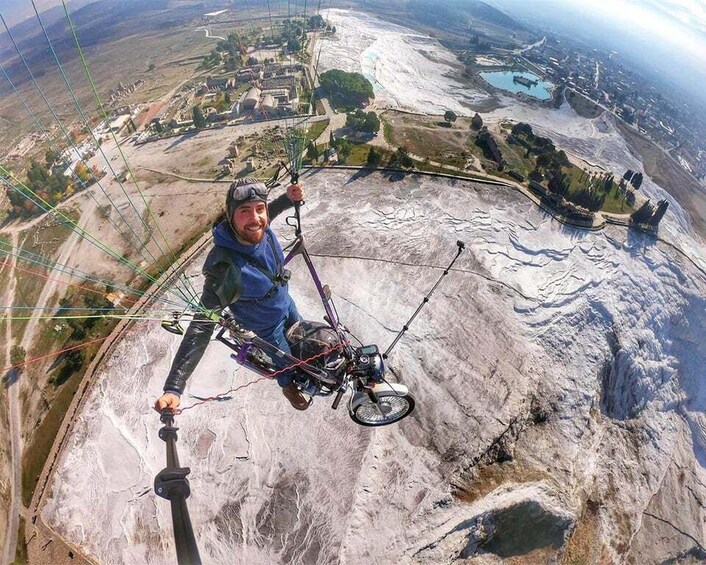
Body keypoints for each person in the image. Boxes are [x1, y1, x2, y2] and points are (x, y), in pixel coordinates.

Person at [154, 177, 310, 412]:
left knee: (302, 335)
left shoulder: (260, 229)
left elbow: (271, 211)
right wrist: (174, 387)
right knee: (285, 363)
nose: (255, 218)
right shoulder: (224, 268)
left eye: (259, 209)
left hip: (285, 303)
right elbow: (202, 326)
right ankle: (288, 386)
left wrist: (289, 199)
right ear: (231, 216)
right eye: (245, 211)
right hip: (266, 326)